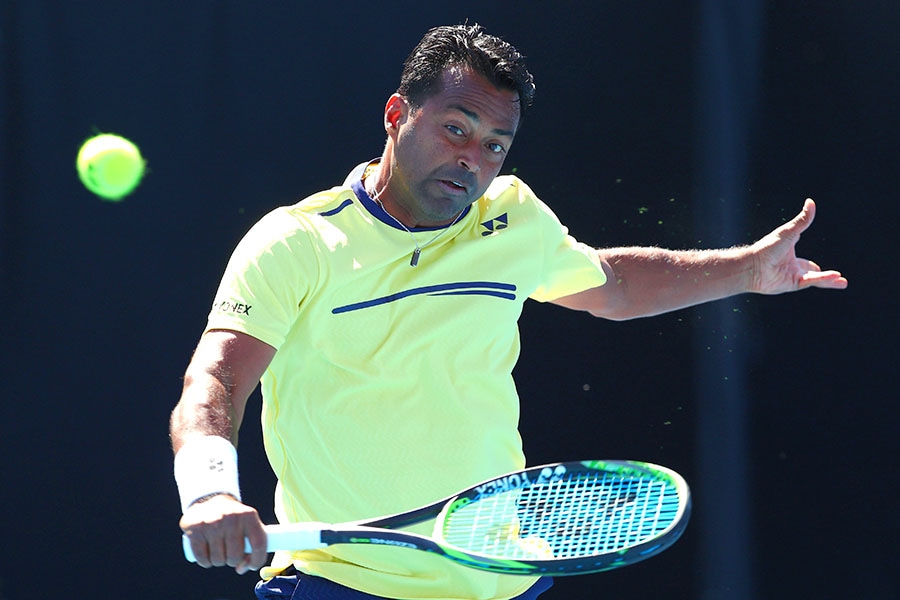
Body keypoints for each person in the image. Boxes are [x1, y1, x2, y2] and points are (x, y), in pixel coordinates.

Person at [170, 24, 847, 600]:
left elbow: (613, 286)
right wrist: (209, 494)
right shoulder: (298, 242)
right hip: (345, 582)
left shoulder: (513, 220)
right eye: (456, 128)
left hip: (500, 575)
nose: (472, 160)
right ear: (397, 115)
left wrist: (749, 269)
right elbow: (218, 381)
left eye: (494, 145)